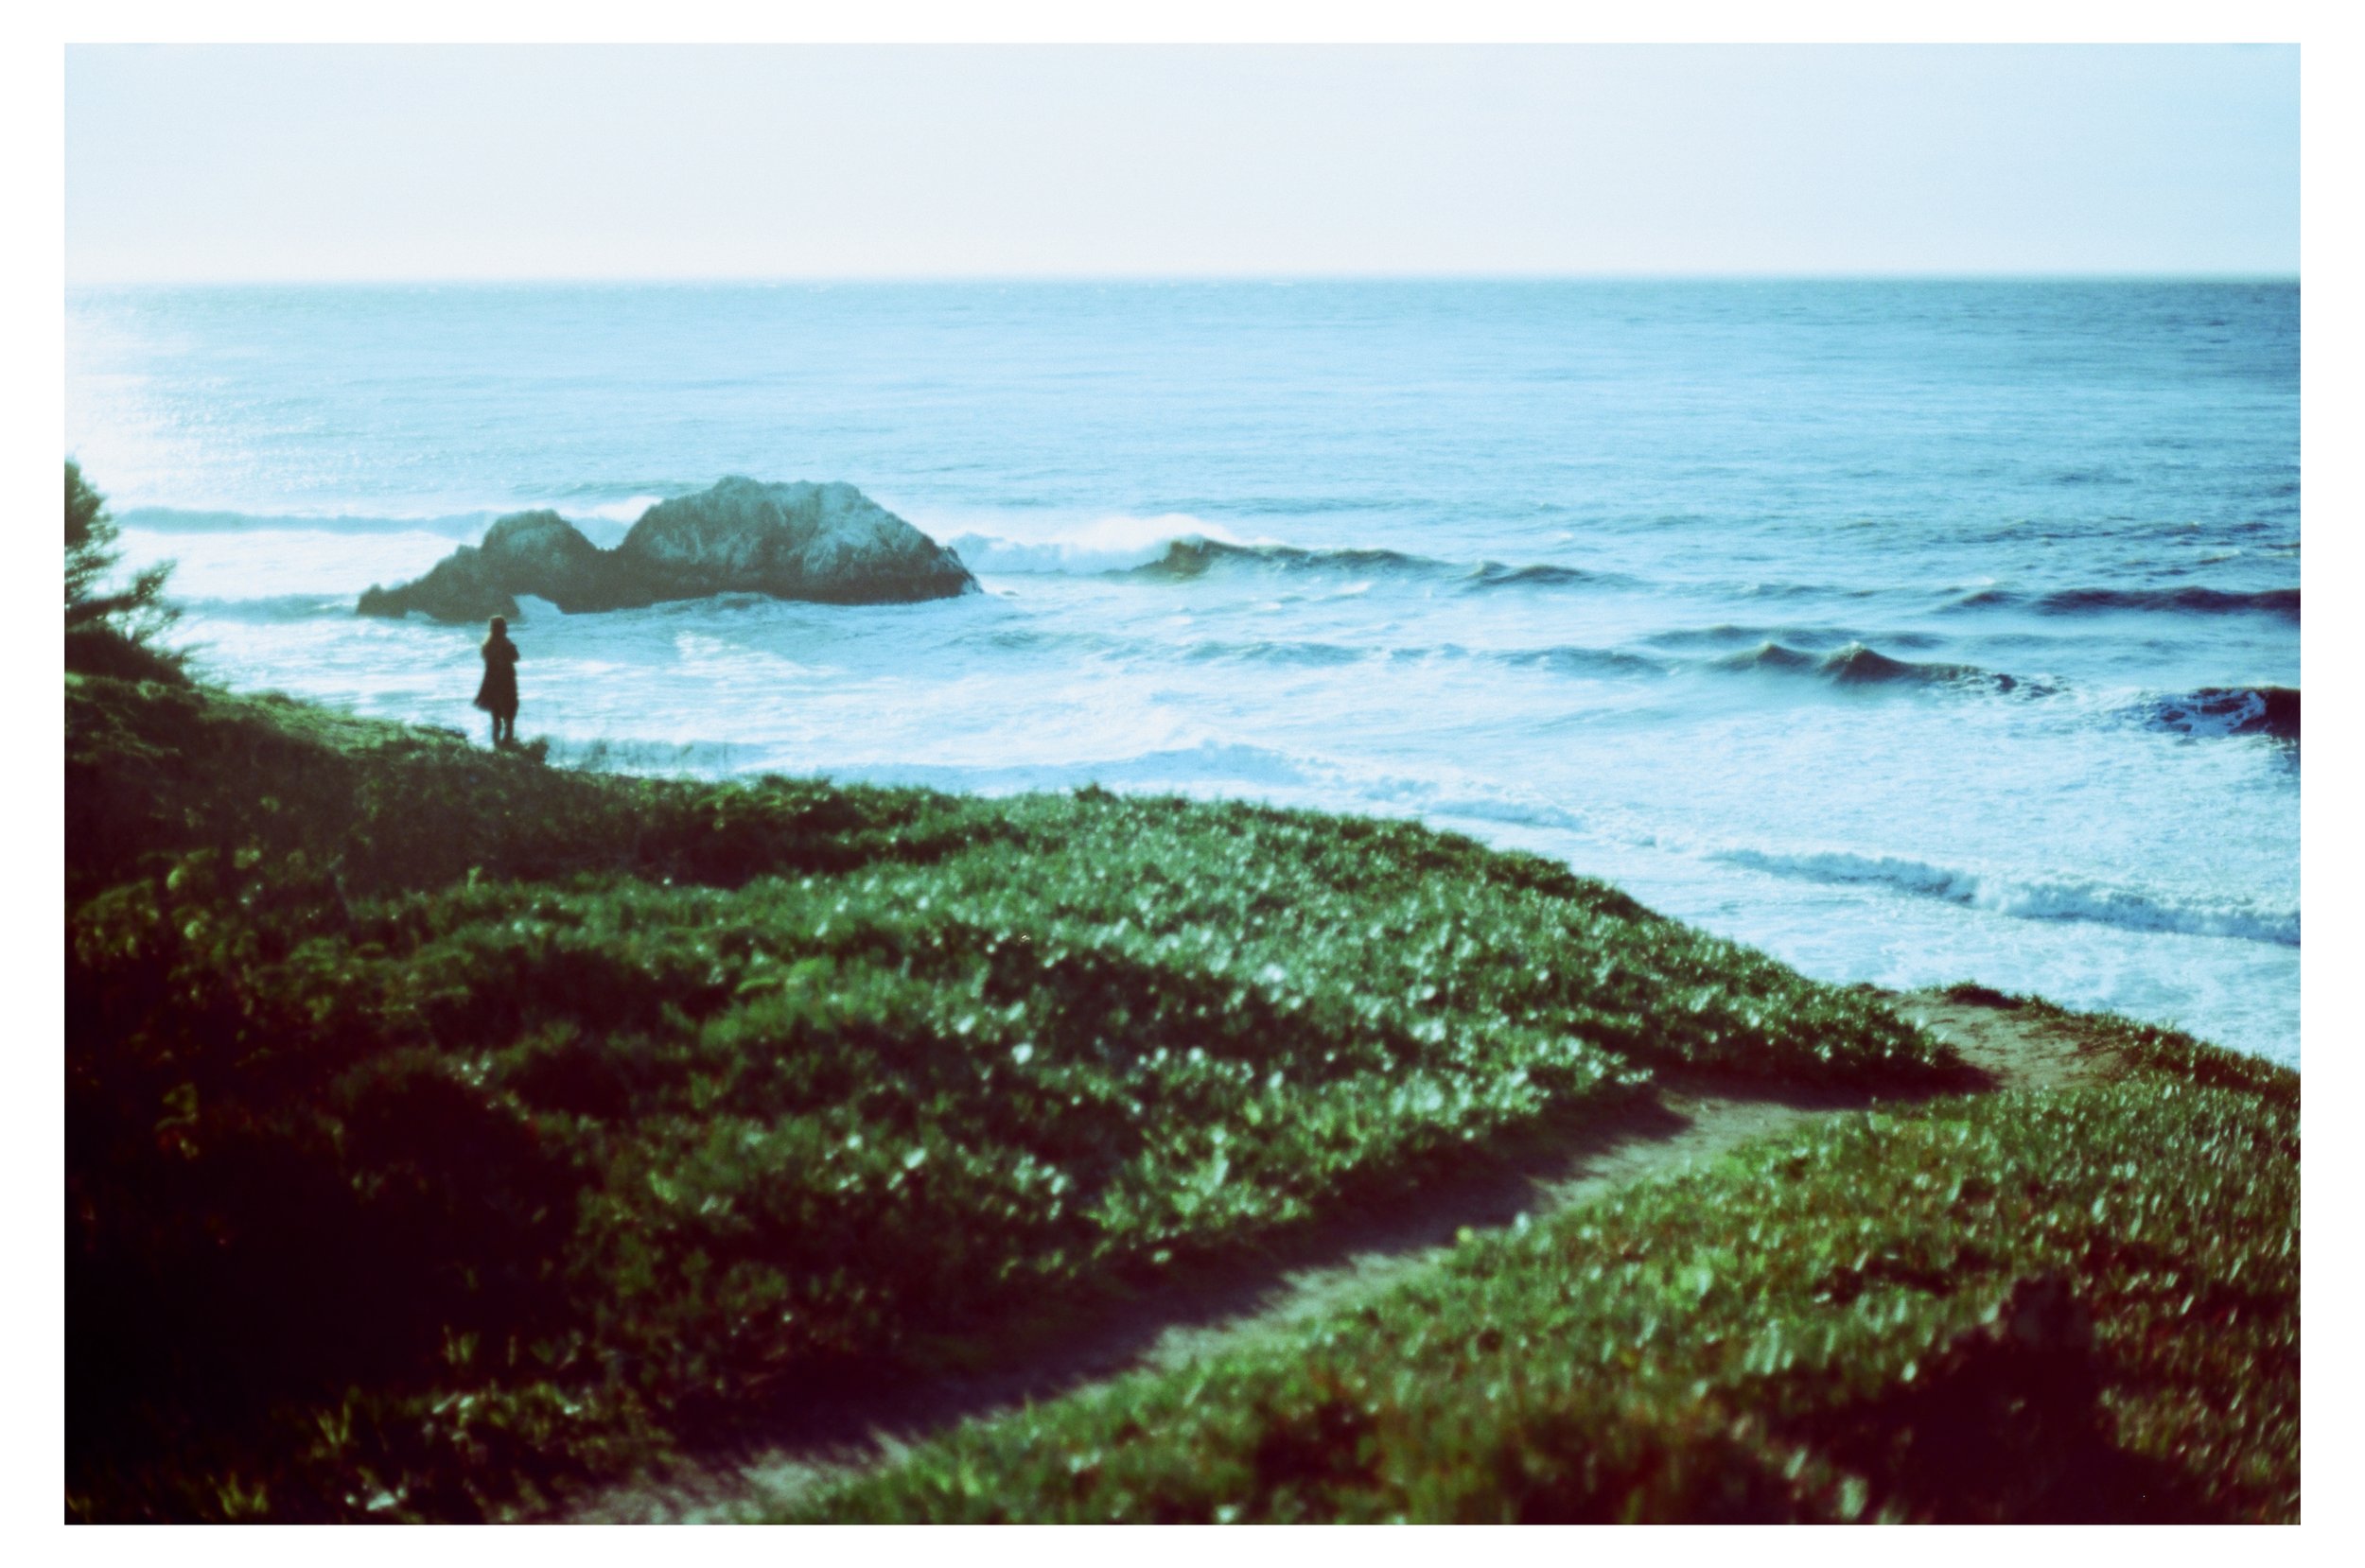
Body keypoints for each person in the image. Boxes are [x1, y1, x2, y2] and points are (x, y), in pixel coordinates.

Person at [475, 615, 520, 746]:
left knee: (496, 715)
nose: (507, 629)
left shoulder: (487, 645)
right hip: (506, 682)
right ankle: (507, 742)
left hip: (491, 682)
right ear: (502, 628)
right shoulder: (505, 643)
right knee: (510, 714)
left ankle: (497, 744)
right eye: (505, 626)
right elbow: (515, 657)